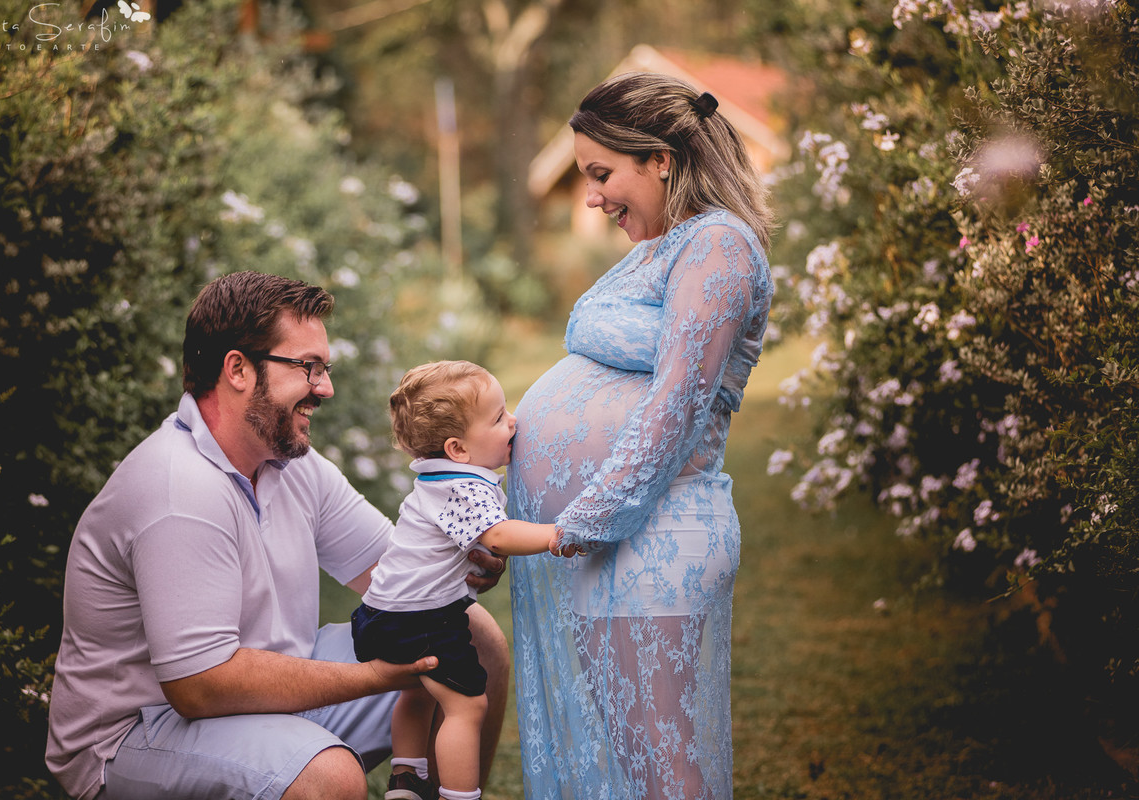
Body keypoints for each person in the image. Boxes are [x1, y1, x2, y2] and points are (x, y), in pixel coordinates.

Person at [45, 272, 511, 800]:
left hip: (262, 683)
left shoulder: (292, 466)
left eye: (325, 368)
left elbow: (394, 574)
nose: (326, 387)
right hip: (137, 734)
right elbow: (200, 685)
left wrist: (458, 560)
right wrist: (380, 675)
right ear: (238, 369)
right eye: (307, 367)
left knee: (469, 637)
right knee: (328, 779)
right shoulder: (179, 491)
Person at [506, 72, 775, 799]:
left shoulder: (718, 243)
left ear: (661, 157)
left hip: (654, 535)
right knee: (630, 760)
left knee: (664, 770)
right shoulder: (663, 247)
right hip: (617, 540)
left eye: (602, 173)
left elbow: (680, 402)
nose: (592, 195)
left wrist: (576, 526)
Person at [351, 360, 560, 800]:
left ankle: (406, 781)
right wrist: (555, 536)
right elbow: (498, 535)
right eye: (499, 417)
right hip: (422, 620)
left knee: (420, 691)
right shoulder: (464, 487)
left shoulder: (435, 481)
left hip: (380, 616)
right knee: (466, 706)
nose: (514, 422)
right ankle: (460, 795)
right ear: (458, 448)